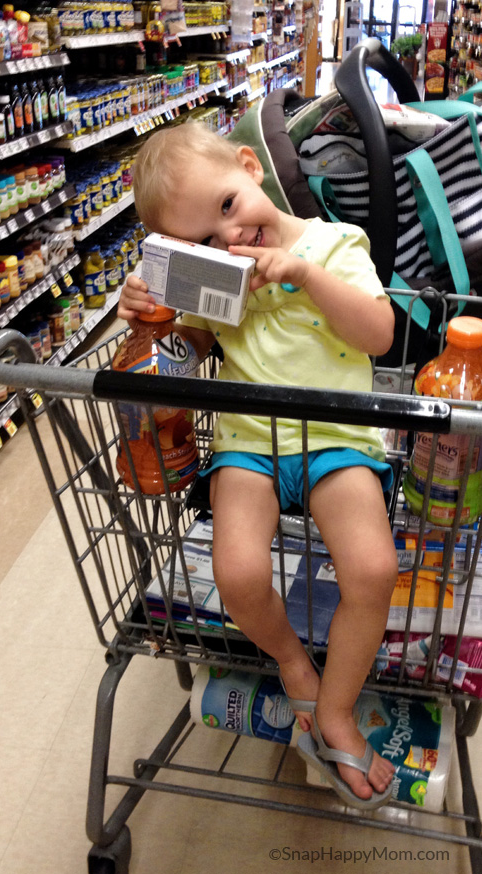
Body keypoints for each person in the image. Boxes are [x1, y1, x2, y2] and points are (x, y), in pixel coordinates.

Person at [118, 122, 400, 809]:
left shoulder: (336, 245)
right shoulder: (219, 284)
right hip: (248, 441)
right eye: (205, 244)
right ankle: (293, 664)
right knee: (239, 573)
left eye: (227, 207)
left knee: (373, 569)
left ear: (250, 167)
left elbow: (380, 333)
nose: (232, 240)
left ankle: (336, 709)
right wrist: (148, 317)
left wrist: (305, 275)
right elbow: (188, 348)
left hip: (338, 434)